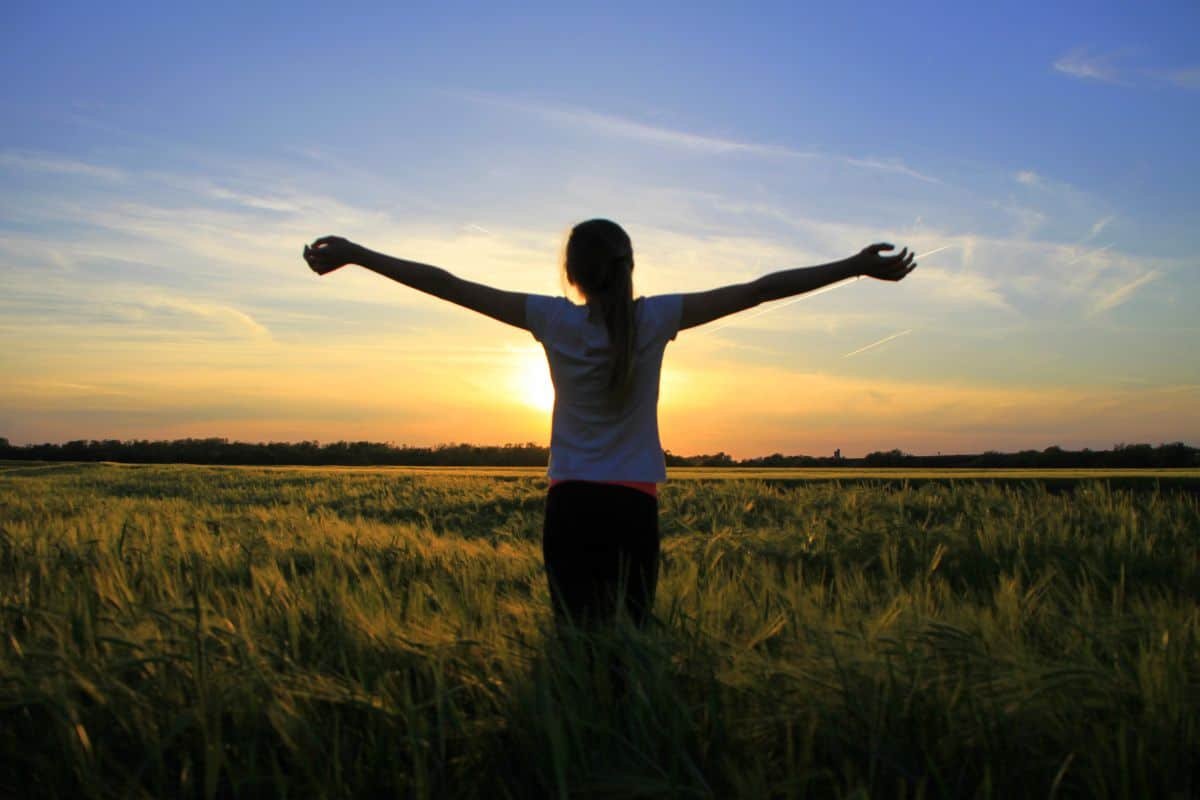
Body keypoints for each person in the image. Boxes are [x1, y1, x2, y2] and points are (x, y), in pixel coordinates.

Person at [303, 220, 915, 630]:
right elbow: (758, 290)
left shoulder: (551, 319)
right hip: (632, 509)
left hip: (568, 508)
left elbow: (450, 285)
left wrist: (358, 255)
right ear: (628, 268)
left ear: (570, 273)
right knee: (630, 648)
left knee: (574, 648)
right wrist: (854, 266)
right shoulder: (656, 319)